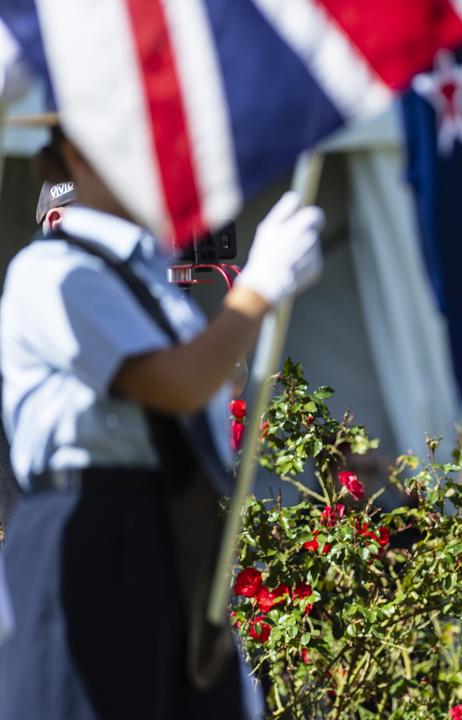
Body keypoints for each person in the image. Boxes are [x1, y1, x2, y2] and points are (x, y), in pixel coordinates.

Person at [0, 119, 323, 718]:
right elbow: (176, 383)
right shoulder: (50, 270)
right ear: (77, 152)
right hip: (90, 526)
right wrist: (260, 288)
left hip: (166, 525)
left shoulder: (147, 278)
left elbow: (208, 386)